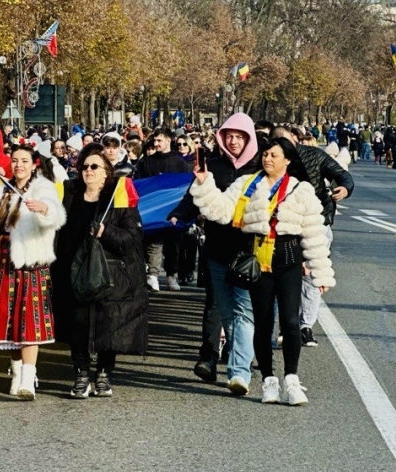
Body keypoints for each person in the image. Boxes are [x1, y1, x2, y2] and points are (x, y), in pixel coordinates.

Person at [190, 137, 333, 406]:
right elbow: (220, 211)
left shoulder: (300, 189)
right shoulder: (246, 183)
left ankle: (291, 378)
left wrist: (320, 273)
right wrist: (203, 183)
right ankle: (269, 380)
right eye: (265, 154)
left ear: (288, 160)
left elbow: (314, 233)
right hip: (258, 263)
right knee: (263, 325)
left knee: (290, 322)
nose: (268, 159)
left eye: (274, 155)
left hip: (288, 261)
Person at [0, 146, 65, 399]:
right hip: (2, 260)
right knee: (7, 318)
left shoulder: (43, 188)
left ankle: (28, 378)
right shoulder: (0, 189)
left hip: (30, 262)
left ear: (34, 164)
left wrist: (43, 209)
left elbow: (56, 216)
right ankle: (16, 371)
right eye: (15, 161)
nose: (18, 165)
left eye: (24, 161)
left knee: (29, 320)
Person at [169, 113, 259, 388]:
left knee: (244, 309)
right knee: (217, 306)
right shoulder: (213, 167)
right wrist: (179, 214)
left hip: (249, 250)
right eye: (228, 136)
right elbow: (194, 196)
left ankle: (239, 366)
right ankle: (211, 355)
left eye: (239, 137)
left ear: (249, 139)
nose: (233, 141)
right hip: (217, 246)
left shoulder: (259, 170)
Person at [52, 144, 147, 398]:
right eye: (84, 167)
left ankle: (104, 373)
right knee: (78, 324)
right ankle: (81, 373)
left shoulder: (119, 195)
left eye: (95, 166)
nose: (88, 171)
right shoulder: (69, 193)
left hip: (111, 271)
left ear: (107, 172)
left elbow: (134, 235)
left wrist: (107, 233)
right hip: (75, 270)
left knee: (109, 324)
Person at [271, 126, 352, 348]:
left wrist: (344, 187)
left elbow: (341, 174)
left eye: (287, 141)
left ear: (296, 139)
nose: (283, 146)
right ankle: (285, 327)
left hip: (317, 221)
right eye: (277, 142)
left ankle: (305, 326)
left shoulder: (314, 155)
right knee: (285, 275)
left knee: (311, 275)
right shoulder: (268, 161)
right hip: (283, 227)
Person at [134, 128, 191, 292]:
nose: (156, 144)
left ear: (168, 141)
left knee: (174, 244)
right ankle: (153, 274)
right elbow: (139, 184)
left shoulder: (180, 163)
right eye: (154, 141)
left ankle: (171, 274)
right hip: (153, 209)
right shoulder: (146, 162)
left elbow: (185, 186)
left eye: (159, 140)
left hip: (175, 210)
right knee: (154, 242)